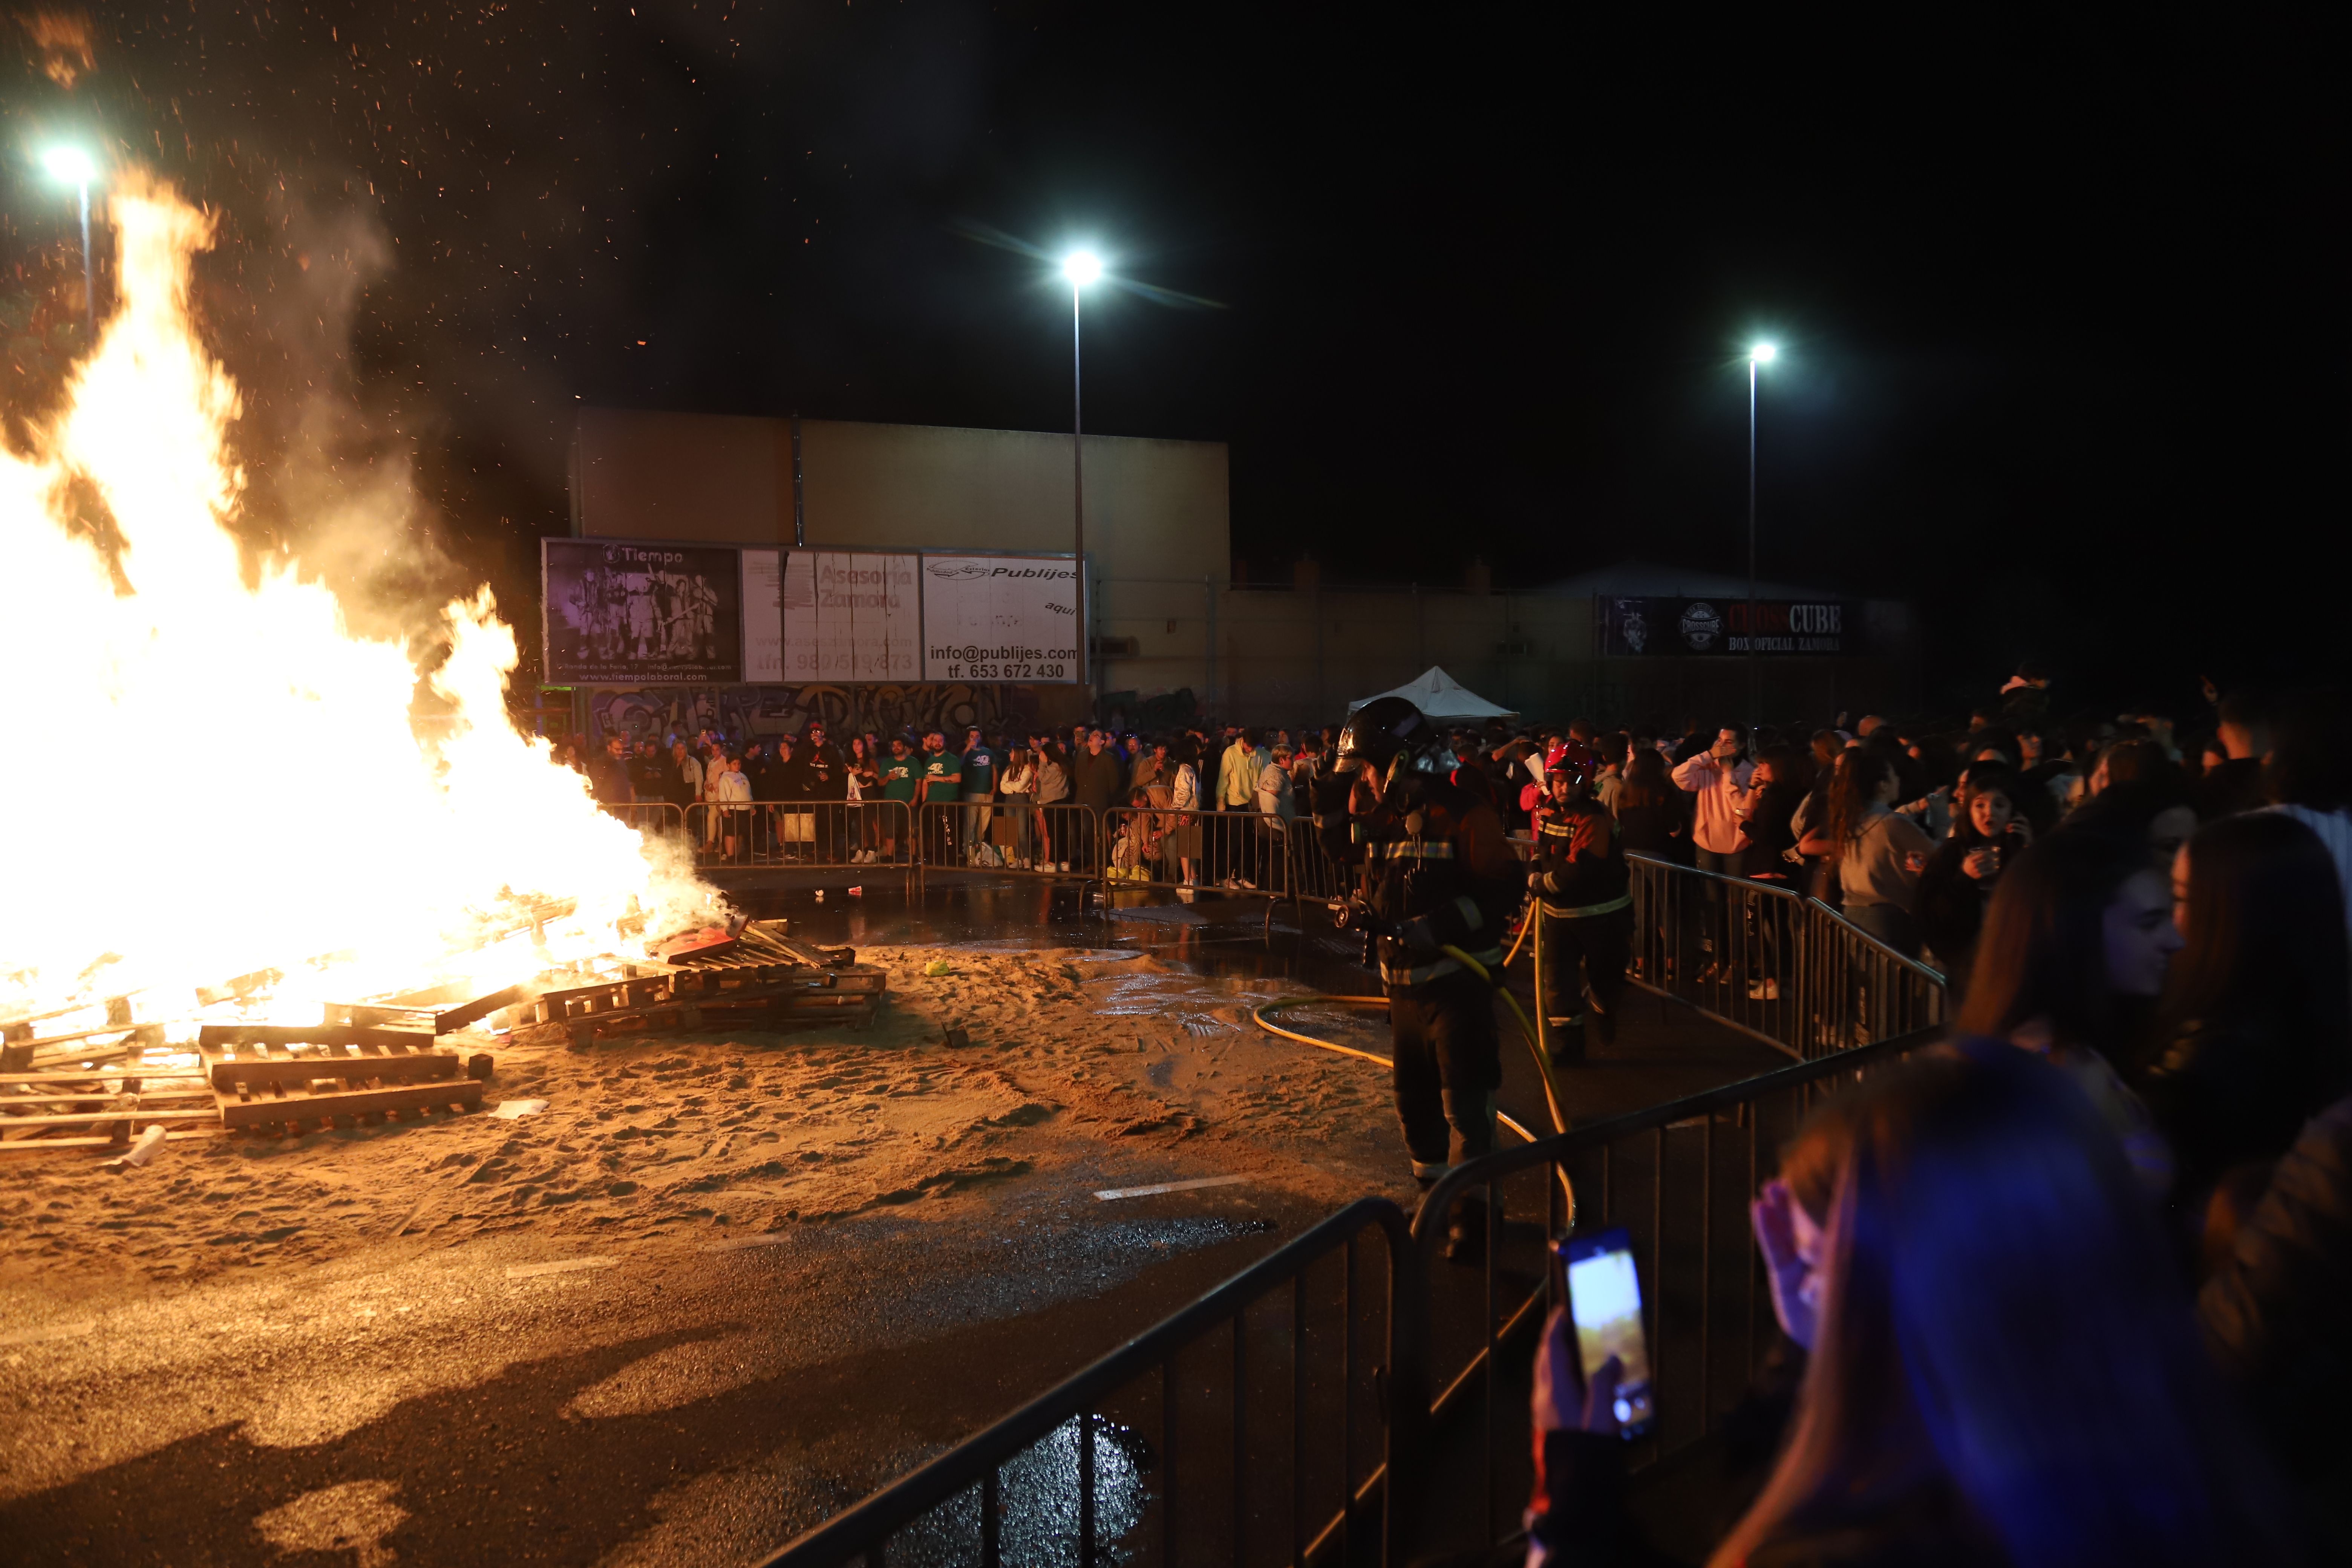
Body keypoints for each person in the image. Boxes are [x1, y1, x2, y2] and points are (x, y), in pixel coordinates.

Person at [1527, 1047, 2302, 1568]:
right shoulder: (2196, 1462)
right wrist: (1808, 1352)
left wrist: (1574, 1507)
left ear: (1890, 1274)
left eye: (1815, 1233)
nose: (1787, 1247)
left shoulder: (1878, 1535)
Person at [1339, 696, 1520, 1261]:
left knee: (1466, 1106)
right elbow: (1382, 880)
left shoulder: (1467, 812)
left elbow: (1502, 892)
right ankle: (1438, 1198)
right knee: (1413, 1104)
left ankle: (1476, 1215)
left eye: (1370, 766)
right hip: (1406, 991)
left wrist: (1436, 925)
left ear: (1398, 759)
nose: (1365, 779)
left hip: (1457, 988)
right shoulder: (1385, 818)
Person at [2142, 811, 2352, 1227]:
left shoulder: (2211, 1057)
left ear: (2235, 917)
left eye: (2182, 899)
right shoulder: (2318, 1013)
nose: (2171, 920)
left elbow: (2161, 1203)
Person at [1954, 827, 2181, 1191]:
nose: (2176, 939)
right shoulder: (2050, 1077)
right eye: (2150, 922)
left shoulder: (2062, 1052)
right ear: (2074, 930)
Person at [1528, 763, 1630, 1067]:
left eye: (1571, 782)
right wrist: (1534, 870)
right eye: (1558, 781)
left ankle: (1604, 1009)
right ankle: (1571, 1048)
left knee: (1606, 980)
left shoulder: (1594, 818)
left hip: (1603, 918)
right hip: (1559, 916)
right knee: (1558, 983)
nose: (1563, 788)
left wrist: (1541, 885)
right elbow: (1542, 850)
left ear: (1584, 784)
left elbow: (1580, 869)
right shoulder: (1549, 812)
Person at [1800, 749, 1931, 957]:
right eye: (1893, 775)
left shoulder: (1850, 820)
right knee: (1892, 987)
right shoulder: (1892, 824)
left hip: (1853, 913)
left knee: (1868, 985)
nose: (1898, 780)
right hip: (1891, 919)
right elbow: (1938, 858)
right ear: (1883, 785)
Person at [1914, 764, 2034, 992]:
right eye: (1980, 805)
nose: (1989, 813)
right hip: (1966, 964)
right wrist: (1964, 878)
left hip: (2013, 960)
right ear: (1968, 810)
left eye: (1999, 805)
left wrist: (2028, 848)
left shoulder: (2019, 851)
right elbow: (1930, 909)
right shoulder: (1953, 852)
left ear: (2012, 812)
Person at [876, 735, 918, 863]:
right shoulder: (888, 763)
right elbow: (880, 783)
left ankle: (913, 856)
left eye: (898, 745)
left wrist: (916, 797)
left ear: (904, 747)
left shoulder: (913, 762)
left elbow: (919, 781)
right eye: (893, 746)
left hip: (909, 802)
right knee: (890, 830)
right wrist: (888, 777)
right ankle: (890, 856)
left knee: (912, 830)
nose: (896, 748)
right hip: (891, 803)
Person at [958, 726, 996, 867]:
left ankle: (980, 851)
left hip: (987, 792)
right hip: (971, 792)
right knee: (971, 824)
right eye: (972, 736)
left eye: (977, 736)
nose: (975, 738)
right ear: (968, 738)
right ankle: (969, 853)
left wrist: (994, 786)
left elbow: (994, 769)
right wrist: (967, 749)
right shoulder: (965, 752)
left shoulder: (988, 752)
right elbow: (959, 764)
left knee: (984, 824)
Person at [995, 745, 1037, 868]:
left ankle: (1027, 858)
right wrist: (1012, 786)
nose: (1010, 755)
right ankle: (1017, 858)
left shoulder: (1027, 769)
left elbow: (1020, 786)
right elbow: (1002, 786)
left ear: (1018, 754)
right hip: (1009, 800)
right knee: (1011, 831)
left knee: (1022, 830)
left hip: (1021, 799)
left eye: (1012, 753)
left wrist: (1010, 785)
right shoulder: (1009, 769)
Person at [1033, 739, 1070, 871]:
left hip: (1053, 802)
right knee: (1061, 833)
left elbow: (1043, 779)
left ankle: (1053, 863)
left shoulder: (1054, 766)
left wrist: (1042, 764)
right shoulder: (1061, 764)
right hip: (1060, 801)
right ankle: (1064, 861)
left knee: (1054, 833)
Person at [714, 752, 753, 862]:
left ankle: (738, 853)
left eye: (739, 764)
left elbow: (749, 792)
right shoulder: (726, 778)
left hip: (744, 808)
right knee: (731, 833)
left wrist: (752, 805)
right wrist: (725, 809)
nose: (737, 766)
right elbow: (723, 794)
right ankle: (730, 855)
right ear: (729, 765)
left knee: (741, 833)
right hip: (733, 809)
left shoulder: (743, 776)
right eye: (734, 764)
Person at [588, 735, 635, 814]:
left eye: (622, 749)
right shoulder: (601, 763)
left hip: (624, 806)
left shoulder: (621, 762)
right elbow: (595, 784)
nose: (621, 752)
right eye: (617, 749)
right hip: (608, 808)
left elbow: (628, 783)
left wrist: (632, 804)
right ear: (609, 748)